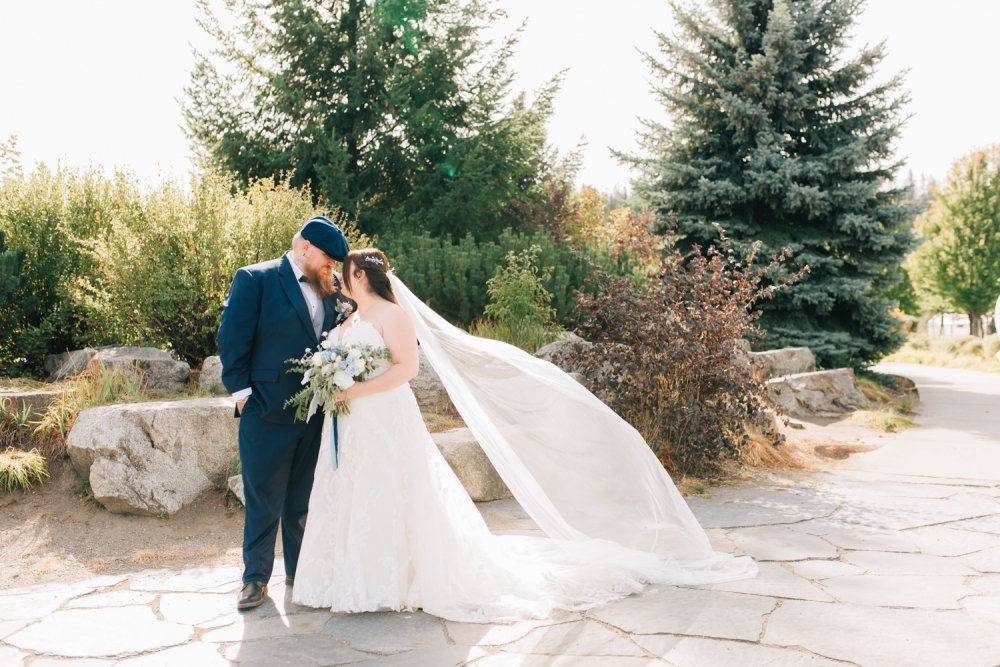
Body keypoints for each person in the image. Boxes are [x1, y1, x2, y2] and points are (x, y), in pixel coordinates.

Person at [291, 248, 757, 622]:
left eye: (346, 272)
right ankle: (346, 577)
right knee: (355, 491)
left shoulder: (393, 315)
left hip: (384, 418)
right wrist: (333, 386)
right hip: (352, 425)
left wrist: (356, 390)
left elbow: (407, 368)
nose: (340, 279)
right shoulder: (349, 320)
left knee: (393, 491)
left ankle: (392, 580)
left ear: (362, 277)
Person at [218, 216, 355, 610]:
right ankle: (255, 580)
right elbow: (232, 337)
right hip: (265, 409)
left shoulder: (331, 286)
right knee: (263, 499)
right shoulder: (255, 278)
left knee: (303, 500)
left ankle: (301, 571)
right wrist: (243, 395)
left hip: (316, 412)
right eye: (328, 259)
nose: (331, 267)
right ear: (305, 247)